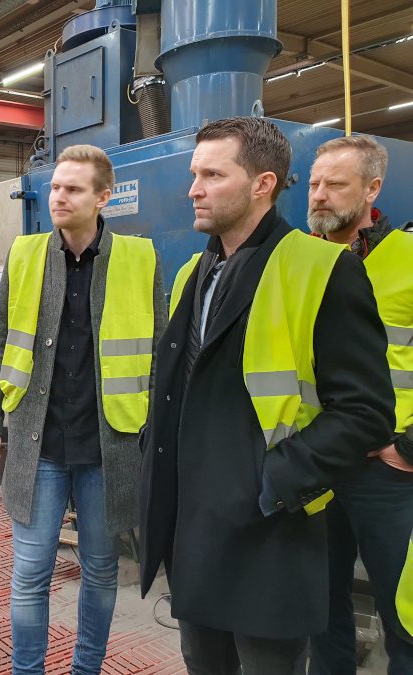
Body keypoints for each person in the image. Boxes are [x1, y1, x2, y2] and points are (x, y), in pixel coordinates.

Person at [138, 117, 395, 675]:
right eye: (194, 174)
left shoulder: (324, 269)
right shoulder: (194, 273)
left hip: (270, 531)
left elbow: (367, 412)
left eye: (213, 175)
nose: (194, 189)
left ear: (263, 184)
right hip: (195, 529)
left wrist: (273, 480)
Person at [0, 144, 167, 674]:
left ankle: (87, 668)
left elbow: (158, 355)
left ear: (103, 197)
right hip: (38, 442)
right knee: (30, 572)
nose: (58, 197)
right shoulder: (25, 255)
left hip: (109, 443)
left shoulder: (140, 259)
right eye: (56, 187)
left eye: (73, 189)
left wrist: (154, 435)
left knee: (101, 571)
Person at [305, 135, 413, 675]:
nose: (319, 194)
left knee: (405, 619)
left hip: (387, 471)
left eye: (335, 183)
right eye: (315, 183)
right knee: (321, 614)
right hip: (315, 463)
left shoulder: (408, 259)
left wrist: (408, 448)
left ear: (372, 190)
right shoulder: (296, 260)